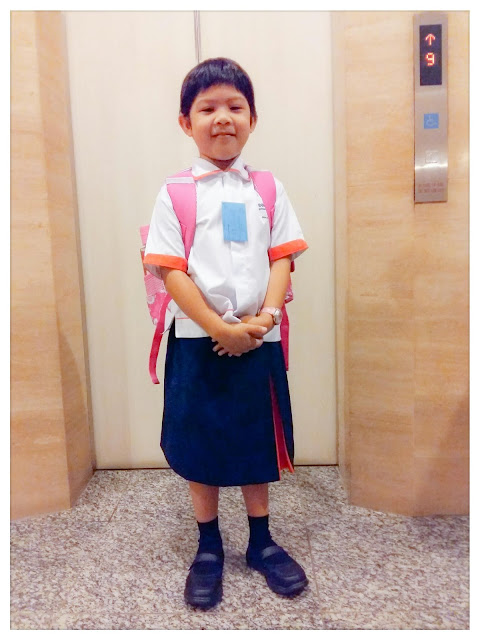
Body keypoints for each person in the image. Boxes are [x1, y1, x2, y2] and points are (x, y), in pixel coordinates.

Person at [143, 57, 309, 609]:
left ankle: (262, 541)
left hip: (259, 337)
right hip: (198, 340)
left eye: (235, 106)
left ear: (252, 119)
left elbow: (282, 257)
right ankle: (208, 545)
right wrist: (219, 327)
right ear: (185, 122)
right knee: (203, 440)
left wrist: (266, 317)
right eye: (207, 108)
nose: (222, 118)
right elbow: (171, 269)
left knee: (257, 437)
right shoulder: (174, 192)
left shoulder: (268, 187)